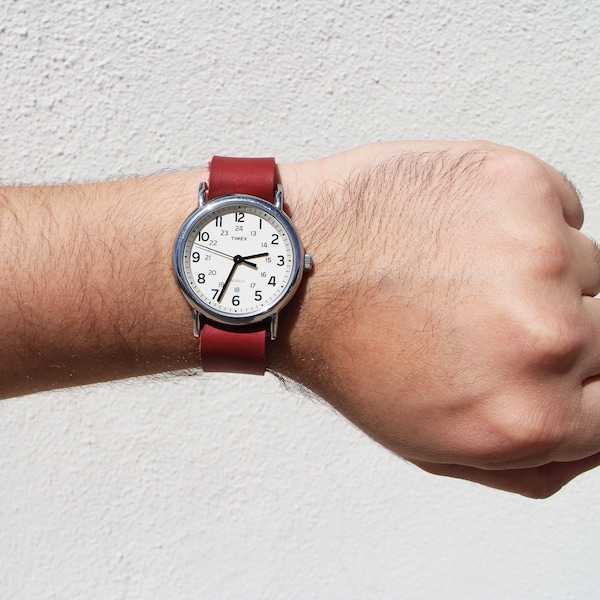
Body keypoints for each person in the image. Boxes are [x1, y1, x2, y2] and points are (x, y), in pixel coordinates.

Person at [2, 140, 599, 498]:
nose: (240, 259)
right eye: (235, 252)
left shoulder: (267, 243)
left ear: (297, 260)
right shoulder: (244, 252)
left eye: (250, 253)